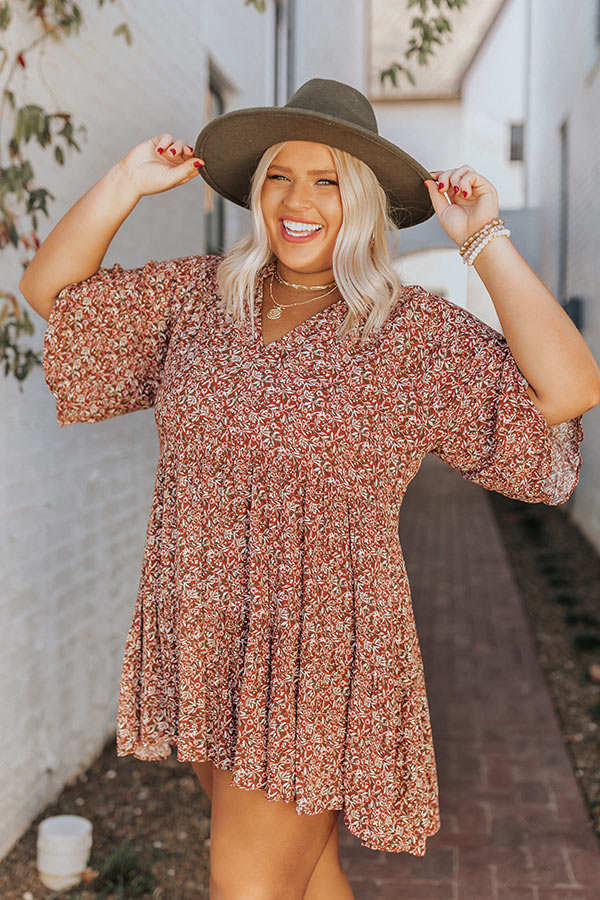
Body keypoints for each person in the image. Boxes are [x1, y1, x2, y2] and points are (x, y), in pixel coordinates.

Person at [20, 77, 600, 900]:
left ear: (361, 199)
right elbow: (56, 296)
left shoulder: (407, 332)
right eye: (279, 176)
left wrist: (484, 237)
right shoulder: (204, 295)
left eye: (327, 180)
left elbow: (570, 388)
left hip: (318, 661)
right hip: (206, 636)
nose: (298, 200)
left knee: (250, 887)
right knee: (309, 874)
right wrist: (124, 183)